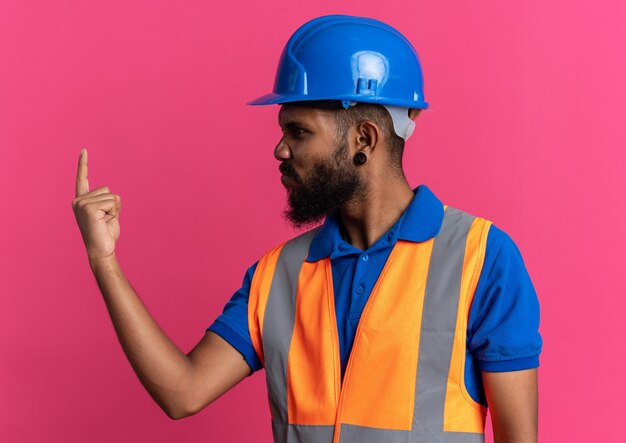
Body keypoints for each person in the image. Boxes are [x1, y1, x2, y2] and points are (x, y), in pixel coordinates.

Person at [72, 14, 541, 443]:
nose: (280, 149)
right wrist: (104, 261)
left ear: (363, 139)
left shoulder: (483, 260)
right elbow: (183, 392)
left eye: (299, 131)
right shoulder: (277, 275)